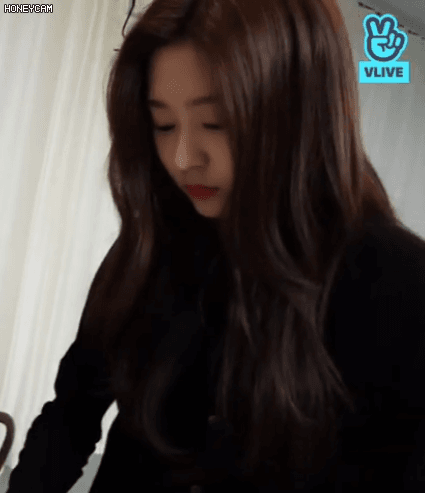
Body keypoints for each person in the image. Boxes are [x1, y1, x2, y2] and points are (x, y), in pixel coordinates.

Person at [6, 0, 425, 491]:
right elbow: (70, 417)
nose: (184, 158)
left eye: (215, 122)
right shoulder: (152, 250)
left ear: (301, 113)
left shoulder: (399, 287)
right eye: (164, 125)